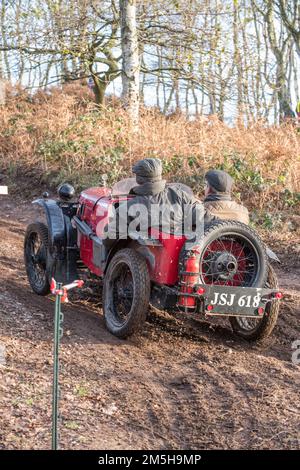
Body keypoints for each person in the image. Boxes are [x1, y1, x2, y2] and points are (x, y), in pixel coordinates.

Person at [105, 158, 209, 243]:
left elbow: (109, 235)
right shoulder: (180, 195)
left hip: (145, 262)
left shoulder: (129, 207)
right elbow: (204, 217)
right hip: (182, 254)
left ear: (139, 179)